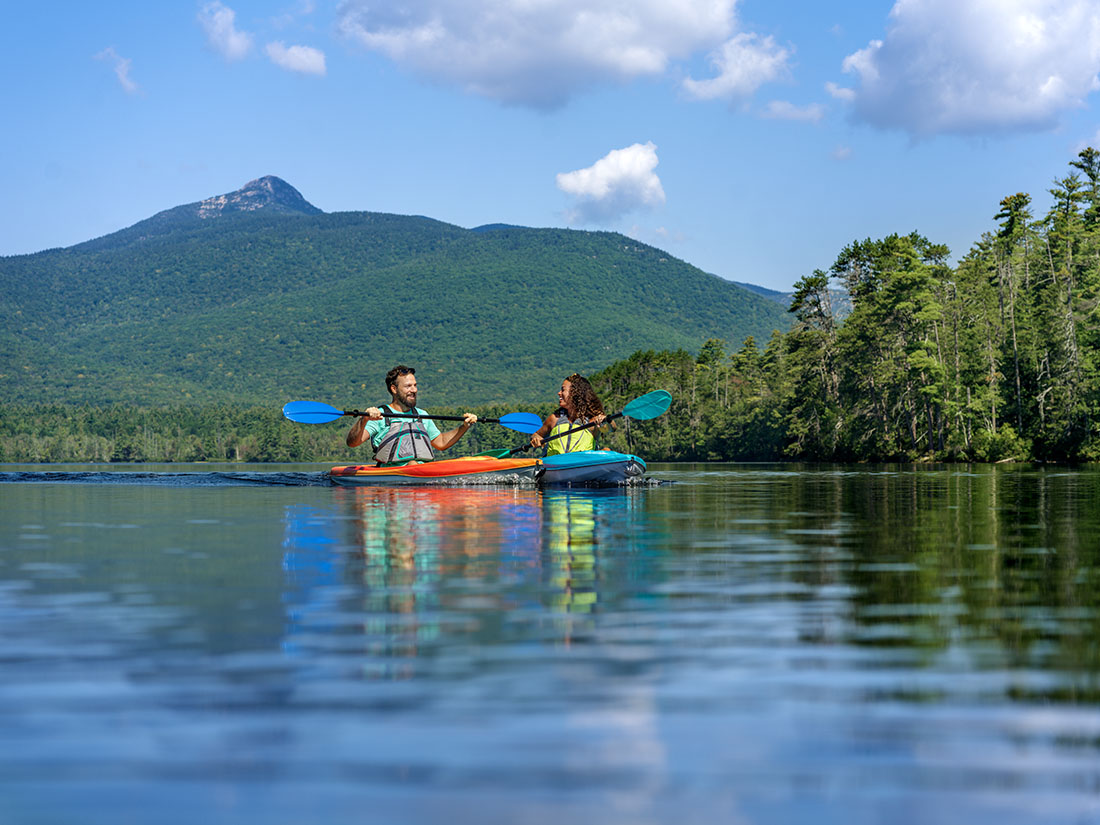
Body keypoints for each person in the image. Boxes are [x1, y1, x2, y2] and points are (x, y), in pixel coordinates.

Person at [346, 365, 477, 465]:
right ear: (394, 389)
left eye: (415, 385)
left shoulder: (421, 415)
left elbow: (441, 443)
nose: (414, 390)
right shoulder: (380, 415)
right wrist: (364, 420)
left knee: (414, 464)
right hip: (392, 478)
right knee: (412, 463)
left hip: (422, 472)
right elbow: (352, 443)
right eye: (408, 386)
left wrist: (464, 426)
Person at [529, 373, 607, 455]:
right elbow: (536, 435)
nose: (559, 393)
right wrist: (535, 438)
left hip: (582, 465)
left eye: (563, 390)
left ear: (575, 394)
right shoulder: (554, 419)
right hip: (556, 465)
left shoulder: (592, 421)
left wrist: (605, 420)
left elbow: (612, 427)